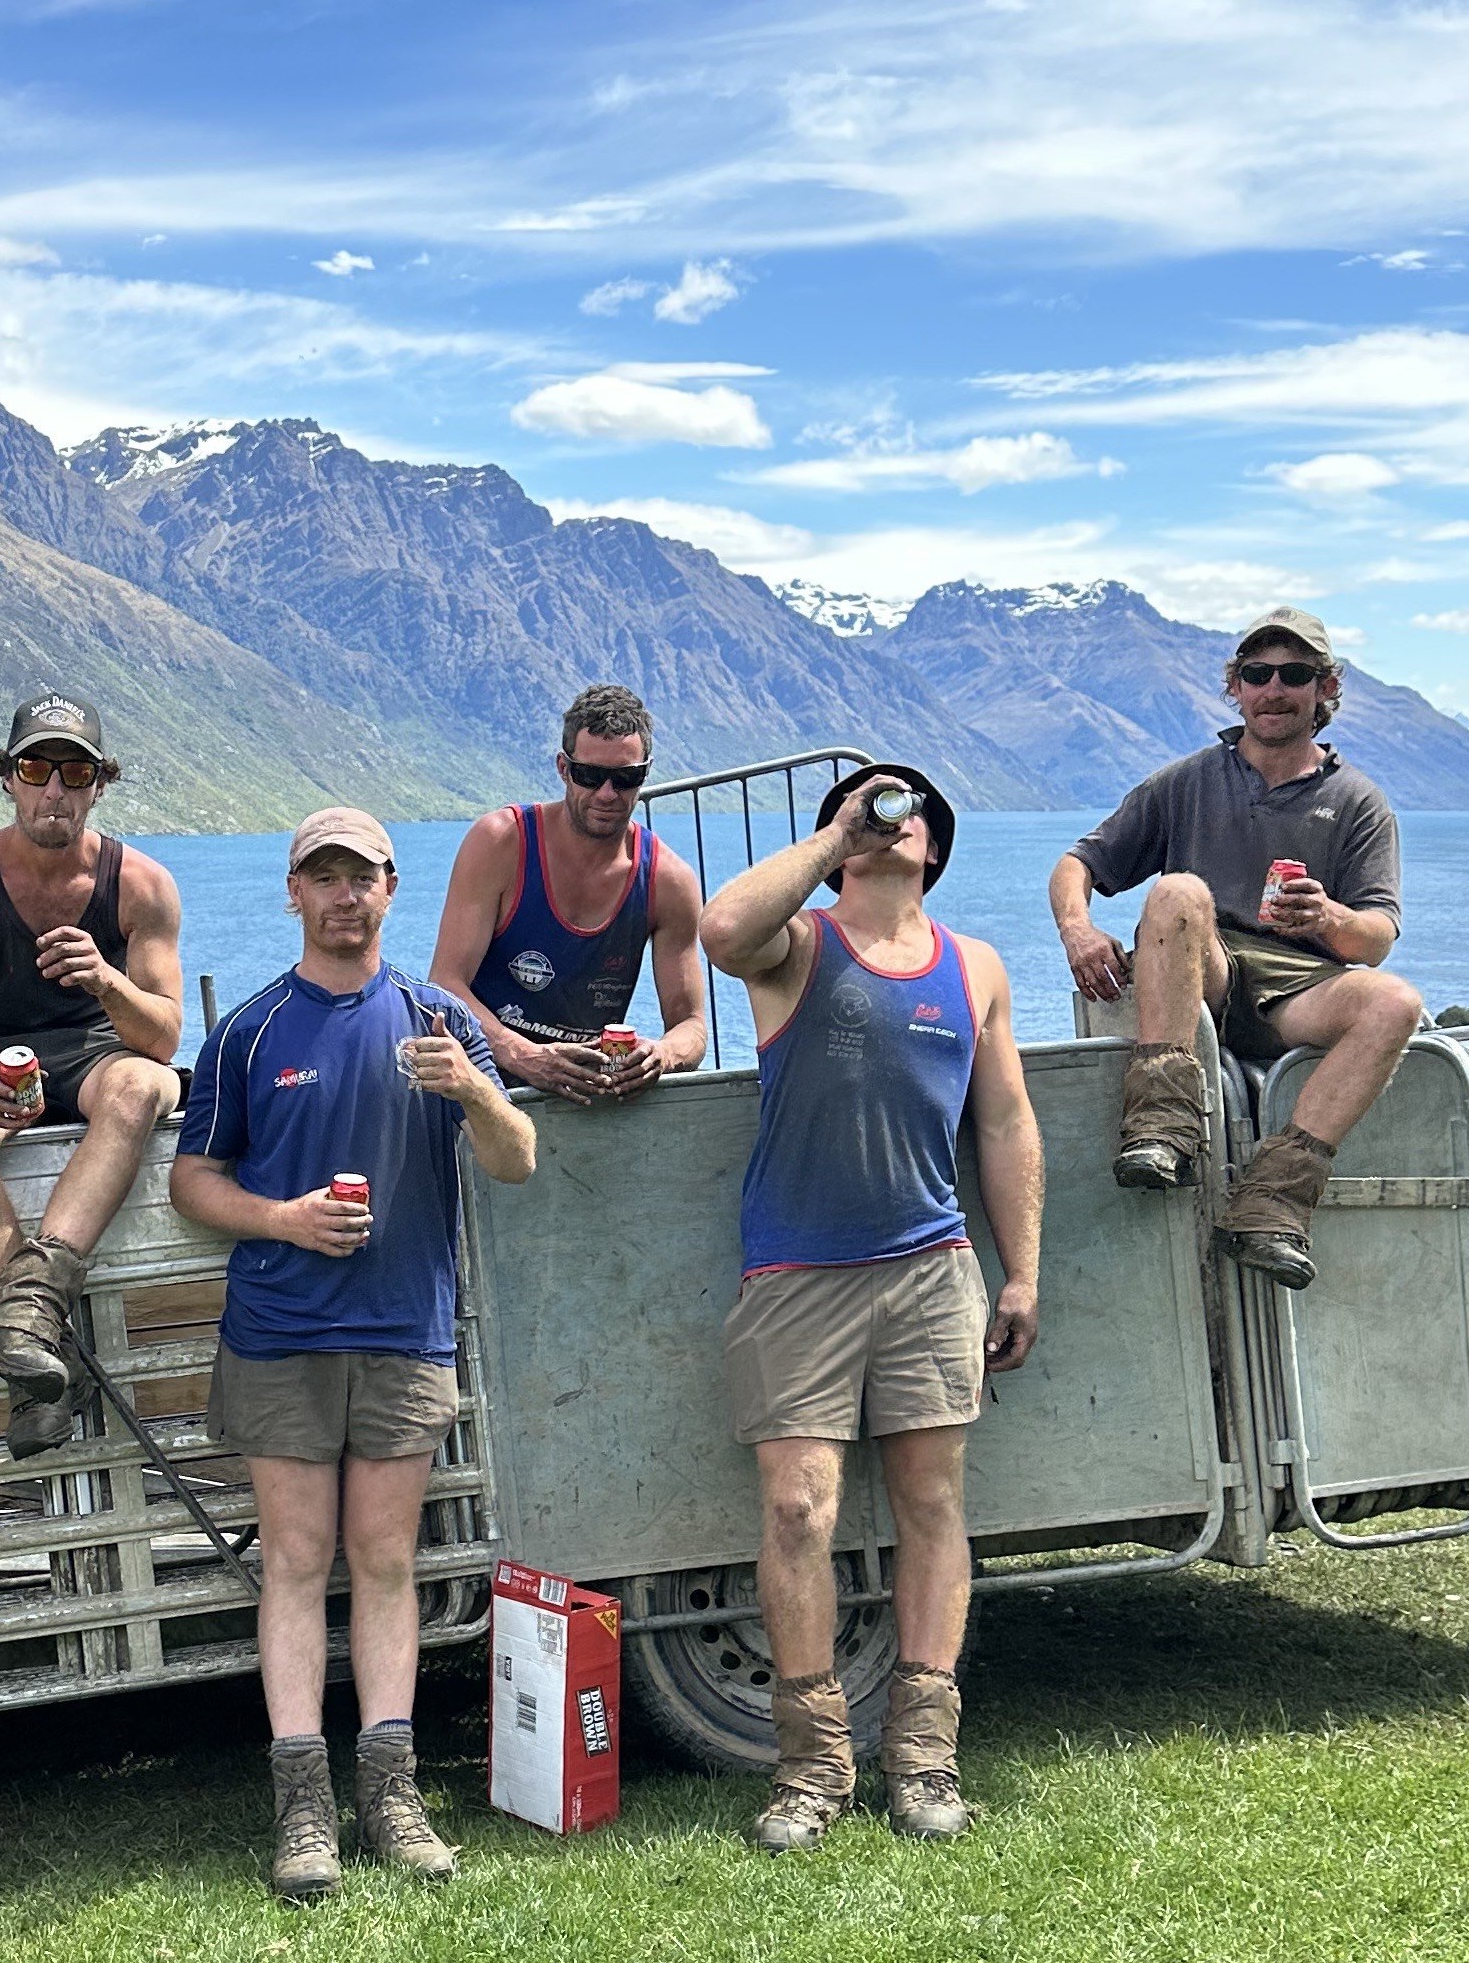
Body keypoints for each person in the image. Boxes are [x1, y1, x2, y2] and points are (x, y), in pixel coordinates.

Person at [170, 808, 538, 1902]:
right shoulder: (248, 1031)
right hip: (280, 1333)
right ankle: (303, 1808)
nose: (342, 896)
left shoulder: (437, 1019)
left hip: (403, 1333)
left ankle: (391, 1792)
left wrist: (473, 1086)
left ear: (391, 888)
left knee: (384, 1560)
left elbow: (517, 1159)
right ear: (293, 892)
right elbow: (193, 1179)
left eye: (360, 877)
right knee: (294, 1560)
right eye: (320, 877)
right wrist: (282, 1220)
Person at [697, 763, 1043, 1852]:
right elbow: (719, 928)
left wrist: (1021, 1268)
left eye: (904, 809)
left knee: (931, 1505)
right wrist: (833, 840)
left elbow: (1005, 1122)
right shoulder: (797, 948)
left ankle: (925, 1760)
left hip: (931, 1268)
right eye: (865, 807)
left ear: (935, 843)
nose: (889, 819)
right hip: (795, 1273)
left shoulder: (974, 965)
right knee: (799, 1511)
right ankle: (810, 1769)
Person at [1046, 606, 1424, 1288]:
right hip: (1205, 968)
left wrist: (1330, 916)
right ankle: (1161, 1127)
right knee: (1177, 893)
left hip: (1299, 985)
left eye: (1294, 673)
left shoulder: (1360, 801)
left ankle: (1273, 1203)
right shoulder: (1187, 780)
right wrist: (1078, 928)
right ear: (1235, 687)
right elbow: (1078, 864)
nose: (1273, 688)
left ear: (1326, 688)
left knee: (1396, 1003)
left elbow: (1378, 938)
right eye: (1257, 673)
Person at [0, 691, 186, 1458]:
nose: (54, 789)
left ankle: (27, 1310)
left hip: (102, 1048)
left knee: (141, 1087)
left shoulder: (142, 885)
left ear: (101, 783)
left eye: (75, 771)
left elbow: (162, 1038)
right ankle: (43, 1354)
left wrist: (105, 979)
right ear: (8, 777)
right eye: (37, 767)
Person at [429, 683, 708, 1102]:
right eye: (590, 775)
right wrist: (523, 1055)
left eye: (625, 778)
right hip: (481, 1083)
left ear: (645, 774)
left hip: (581, 1094)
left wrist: (663, 1055)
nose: (607, 794)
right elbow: (446, 983)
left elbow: (691, 1026)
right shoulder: (501, 843)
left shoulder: (668, 881)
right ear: (563, 768)